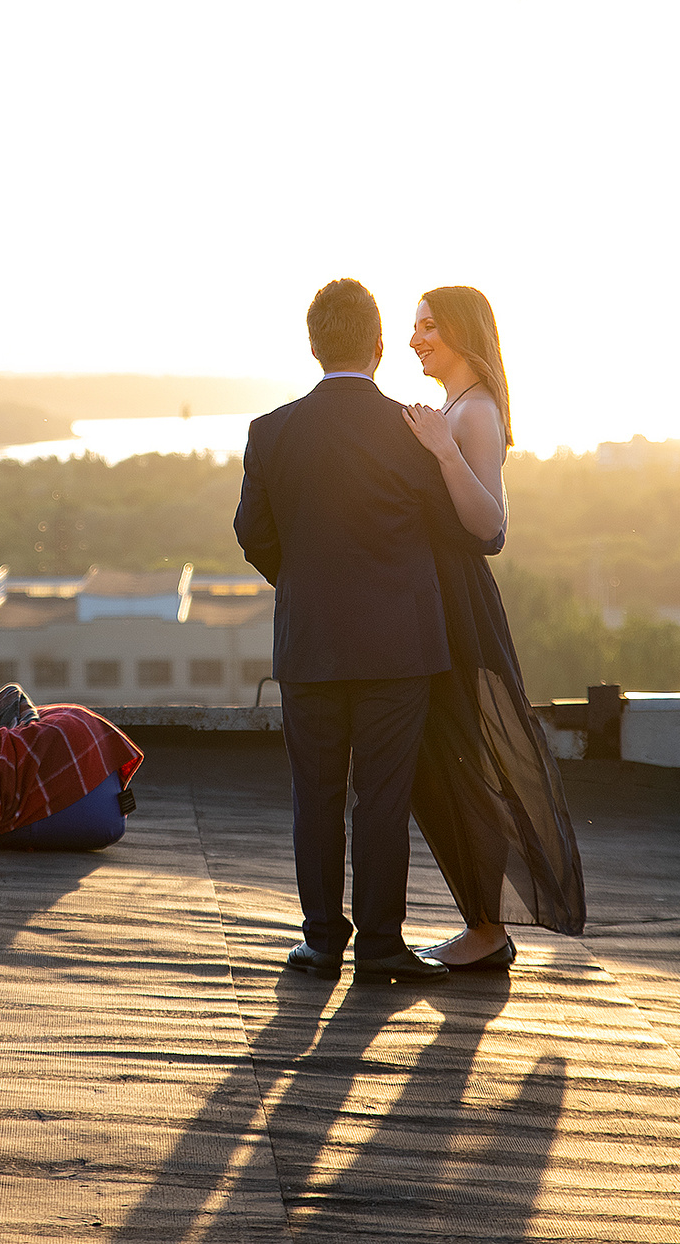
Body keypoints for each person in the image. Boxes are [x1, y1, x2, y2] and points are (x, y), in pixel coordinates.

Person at [234, 278, 504, 984]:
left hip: (309, 642)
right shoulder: (415, 431)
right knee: (382, 798)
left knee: (315, 796)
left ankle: (322, 941)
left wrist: (305, 586)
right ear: (380, 347)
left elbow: (252, 534)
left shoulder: (270, 431)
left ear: (315, 345)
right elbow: (456, 533)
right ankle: (381, 944)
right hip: (399, 648)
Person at [396, 286, 587, 968]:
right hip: (435, 603)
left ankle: (487, 929)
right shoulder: (452, 408)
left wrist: (443, 451)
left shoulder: (472, 413)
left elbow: (491, 526)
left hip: (458, 607)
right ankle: (481, 923)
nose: (415, 338)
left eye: (428, 326)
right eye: (413, 326)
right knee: (436, 762)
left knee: (461, 764)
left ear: (461, 333)